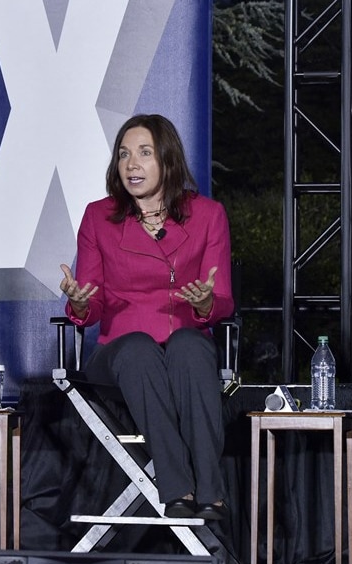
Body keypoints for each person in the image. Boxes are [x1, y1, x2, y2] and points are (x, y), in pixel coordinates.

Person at [58, 113, 234, 520]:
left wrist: (205, 303)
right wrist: (80, 304)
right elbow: (90, 307)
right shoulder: (98, 217)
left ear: (168, 160)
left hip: (183, 346)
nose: (131, 164)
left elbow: (221, 299)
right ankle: (177, 489)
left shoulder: (208, 215)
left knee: (190, 346)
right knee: (138, 349)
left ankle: (211, 491)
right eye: (123, 155)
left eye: (143, 153)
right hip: (119, 353)